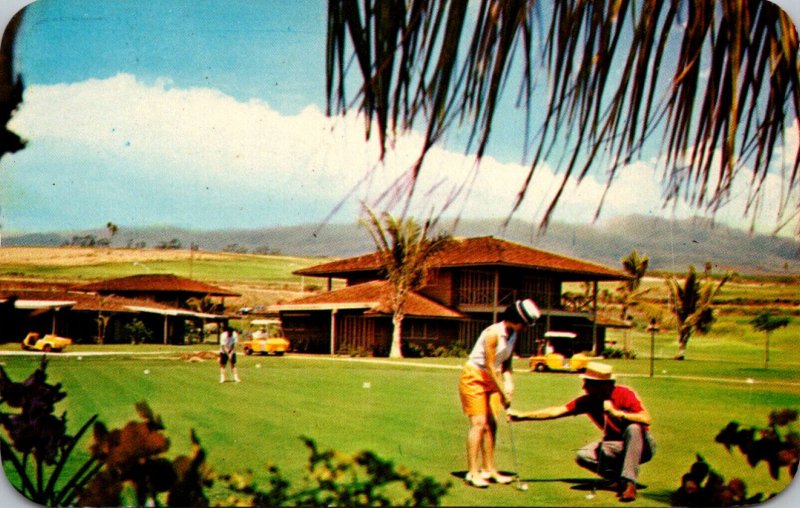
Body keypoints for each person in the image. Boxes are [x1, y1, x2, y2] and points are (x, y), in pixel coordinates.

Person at [509, 362, 655, 502]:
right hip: (615, 447)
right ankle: (618, 480)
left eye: (588, 383)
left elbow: (646, 418)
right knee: (583, 455)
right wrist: (523, 415)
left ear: (603, 385)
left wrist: (617, 414)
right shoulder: (588, 401)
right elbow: (557, 411)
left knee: (634, 428)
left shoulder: (624, 393)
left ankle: (629, 483)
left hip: (641, 447)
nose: (584, 387)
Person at [458, 298, 540, 488]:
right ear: (516, 319)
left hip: (492, 378)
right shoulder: (493, 334)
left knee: (491, 424)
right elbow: (489, 365)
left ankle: (490, 469)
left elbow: (507, 364)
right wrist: (502, 392)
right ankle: (473, 472)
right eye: (525, 324)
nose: (526, 328)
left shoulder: (513, 335)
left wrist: (509, 383)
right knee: (478, 423)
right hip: (474, 376)